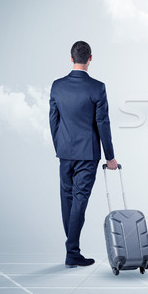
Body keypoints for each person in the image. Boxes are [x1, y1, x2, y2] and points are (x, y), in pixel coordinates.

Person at [49, 41, 118, 268]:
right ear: (91, 58)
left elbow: (53, 120)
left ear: (71, 58)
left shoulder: (57, 86)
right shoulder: (97, 87)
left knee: (67, 198)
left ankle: (72, 248)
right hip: (88, 153)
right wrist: (110, 157)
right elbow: (103, 123)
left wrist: (59, 145)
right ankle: (72, 251)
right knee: (79, 200)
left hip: (65, 152)